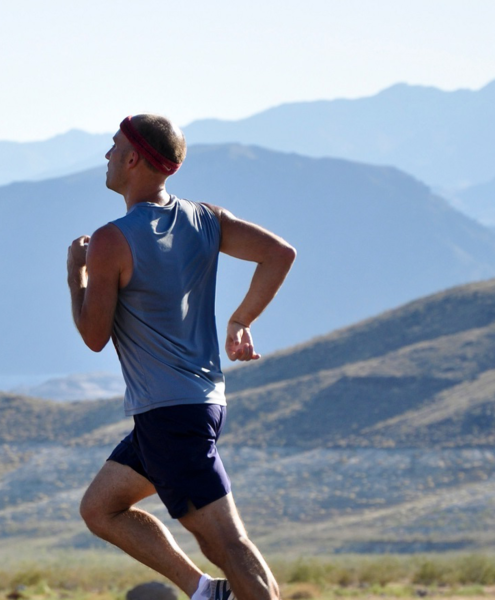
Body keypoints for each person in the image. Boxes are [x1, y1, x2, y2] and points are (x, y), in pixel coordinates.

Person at [68, 114, 295, 600]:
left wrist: (76, 279)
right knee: (100, 508)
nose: (106, 156)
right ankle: (203, 591)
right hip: (190, 407)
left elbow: (93, 335)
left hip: (172, 417)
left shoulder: (111, 239)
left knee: (229, 544)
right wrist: (242, 320)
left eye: (113, 147)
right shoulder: (206, 219)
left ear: (132, 159)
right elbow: (279, 253)